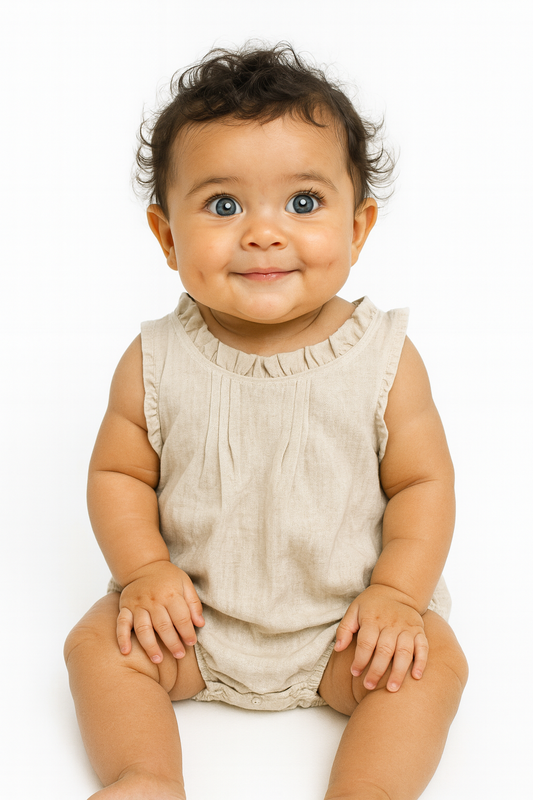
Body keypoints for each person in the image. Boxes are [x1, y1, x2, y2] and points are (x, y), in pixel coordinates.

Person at [64, 42, 468, 800]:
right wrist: (145, 572)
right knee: (95, 645)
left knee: (432, 662)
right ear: (166, 236)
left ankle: (369, 791)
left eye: (303, 203)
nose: (262, 232)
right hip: (194, 621)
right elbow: (118, 473)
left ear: (357, 226)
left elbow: (422, 481)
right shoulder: (154, 358)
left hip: (346, 627)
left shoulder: (383, 357)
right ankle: (143, 776)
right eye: (223, 205)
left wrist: (398, 595)